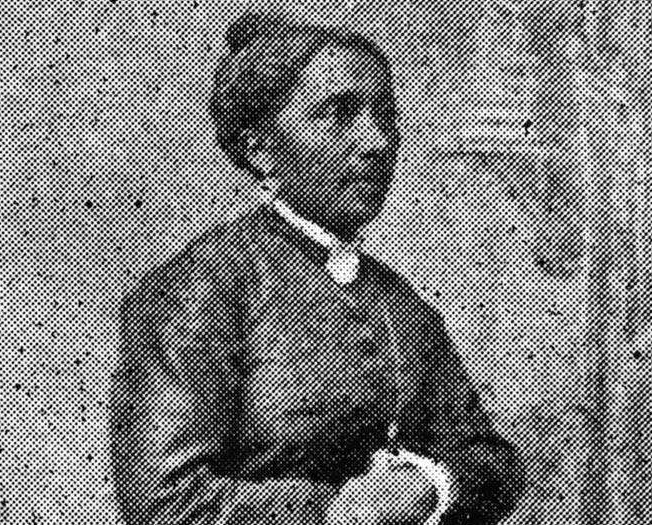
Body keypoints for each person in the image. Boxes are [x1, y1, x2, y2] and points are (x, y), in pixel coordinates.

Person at [109, 13, 525, 525]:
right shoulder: (194, 291)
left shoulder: (404, 306)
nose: (376, 141)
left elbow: (491, 461)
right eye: (337, 113)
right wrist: (336, 511)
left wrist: (433, 484)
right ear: (261, 150)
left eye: (384, 115)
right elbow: (163, 501)